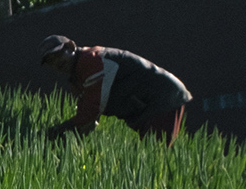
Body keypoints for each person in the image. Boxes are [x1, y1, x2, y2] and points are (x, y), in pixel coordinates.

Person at [38, 33, 190, 142]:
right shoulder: (77, 78)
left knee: (157, 154)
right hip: (146, 106)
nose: (56, 62)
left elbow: (91, 110)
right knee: (150, 154)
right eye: (51, 61)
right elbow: (87, 120)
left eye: (58, 54)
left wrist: (58, 131)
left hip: (161, 98)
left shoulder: (91, 60)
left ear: (71, 46)